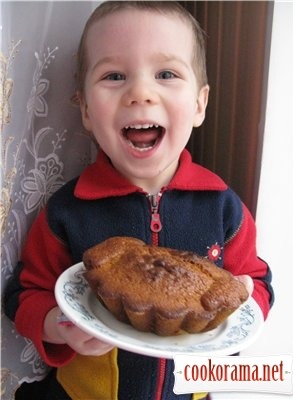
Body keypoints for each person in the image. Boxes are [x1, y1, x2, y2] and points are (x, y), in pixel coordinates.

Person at [4, 2, 274, 399]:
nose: (140, 93)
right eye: (114, 76)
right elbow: (23, 294)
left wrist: (247, 305)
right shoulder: (68, 210)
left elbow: (258, 284)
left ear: (199, 104)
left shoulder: (224, 208)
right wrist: (57, 324)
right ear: (85, 112)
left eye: (166, 73)